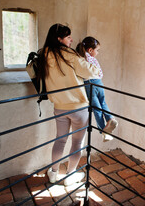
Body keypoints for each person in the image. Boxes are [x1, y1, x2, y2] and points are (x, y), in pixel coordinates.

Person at [39, 24, 100, 186]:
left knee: (60, 140)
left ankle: (53, 173)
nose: (71, 39)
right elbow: (92, 72)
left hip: (59, 106)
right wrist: (90, 58)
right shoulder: (69, 54)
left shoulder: (45, 54)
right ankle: (70, 175)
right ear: (59, 39)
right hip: (78, 107)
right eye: (68, 37)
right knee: (77, 143)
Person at [76, 36, 118, 142]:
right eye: (97, 50)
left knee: (96, 109)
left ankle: (103, 131)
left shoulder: (80, 58)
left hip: (89, 84)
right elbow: (101, 73)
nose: (98, 53)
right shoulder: (93, 59)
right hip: (99, 83)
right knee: (103, 103)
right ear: (90, 50)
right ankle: (110, 118)